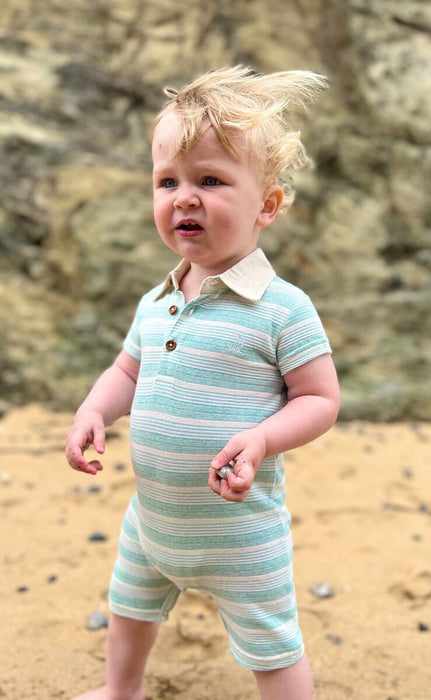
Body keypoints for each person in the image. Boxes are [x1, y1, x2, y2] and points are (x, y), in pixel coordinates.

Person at [65, 65, 341, 700]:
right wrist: (94, 410)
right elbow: (127, 371)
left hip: (240, 531)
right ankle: (121, 690)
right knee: (128, 606)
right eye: (168, 181)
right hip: (153, 520)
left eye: (210, 180)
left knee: (272, 644)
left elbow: (320, 399)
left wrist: (263, 439)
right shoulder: (157, 300)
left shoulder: (282, 308)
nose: (184, 198)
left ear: (266, 205)